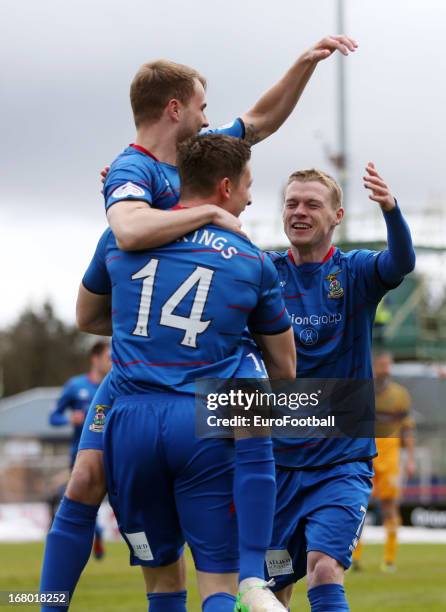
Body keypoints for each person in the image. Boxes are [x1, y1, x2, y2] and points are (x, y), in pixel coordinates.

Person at [40, 34, 356, 607]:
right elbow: (130, 232)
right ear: (174, 109)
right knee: (86, 480)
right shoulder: (133, 170)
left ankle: (256, 574)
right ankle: (48, 601)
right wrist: (211, 214)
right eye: (203, 106)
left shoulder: (198, 154)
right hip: (148, 364)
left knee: (255, 403)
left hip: (174, 370)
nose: (212, 118)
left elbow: (259, 121)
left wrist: (304, 65)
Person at [78, 134, 296, 611]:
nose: (251, 196)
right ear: (224, 187)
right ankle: (254, 580)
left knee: (159, 580)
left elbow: (87, 317)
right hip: (202, 422)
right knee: (219, 582)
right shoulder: (250, 258)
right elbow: (285, 367)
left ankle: (47, 602)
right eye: (247, 185)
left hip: (130, 423)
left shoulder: (121, 236)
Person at [264, 164, 416, 611]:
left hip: (340, 462)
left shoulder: (355, 272)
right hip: (276, 464)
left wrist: (390, 209)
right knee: (271, 588)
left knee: (324, 568)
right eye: (291, 203)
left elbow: (401, 262)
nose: (299, 211)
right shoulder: (263, 272)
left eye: (312, 204)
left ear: (337, 216)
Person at [352, 350, 416, 573]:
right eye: (382, 364)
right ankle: (354, 556)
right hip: (366, 449)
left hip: (390, 451)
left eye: (389, 364)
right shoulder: (363, 392)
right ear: (374, 366)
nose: (385, 369)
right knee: (358, 503)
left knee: (389, 505)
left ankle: (389, 559)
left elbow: (407, 429)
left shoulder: (400, 394)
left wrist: (410, 459)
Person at [48, 341, 111, 559]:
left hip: (113, 452)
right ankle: (96, 533)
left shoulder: (116, 385)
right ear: (95, 359)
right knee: (82, 500)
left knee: (122, 500)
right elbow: (53, 417)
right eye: (108, 358)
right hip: (81, 455)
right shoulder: (75, 386)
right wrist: (69, 418)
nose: (112, 362)